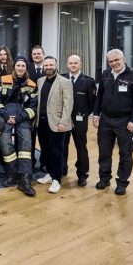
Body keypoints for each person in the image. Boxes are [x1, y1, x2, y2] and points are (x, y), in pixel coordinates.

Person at [92, 49, 133, 195]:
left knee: (126, 153)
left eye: (117, 60)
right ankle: (104, 178)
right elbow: (99, 96)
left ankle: (122, 182)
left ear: (124, 59)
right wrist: (96, 114)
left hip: (125, 121)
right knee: (104, 152)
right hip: (106, 120)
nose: (114, 63)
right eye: (111, 61)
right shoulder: (105, 75)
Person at [0, 56, 38, 196]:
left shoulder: (32, 84)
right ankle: (13, 172)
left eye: (23, 66)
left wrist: (21, 117)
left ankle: (25, 178)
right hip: (6, 116)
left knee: (26, 142)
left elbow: (33, 107)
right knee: (4, 141)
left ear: (26, 68)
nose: (20, 68)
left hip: (23, 117)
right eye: (18, 65)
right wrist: (5, 115)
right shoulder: (3, 80)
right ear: (14, 66)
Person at [35, 56, 73, 193]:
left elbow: (68, 104)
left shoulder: (65, 82)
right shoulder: (40, 81)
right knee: (45, 151)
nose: (49, 67)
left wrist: (64, 121)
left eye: (51, 65)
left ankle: (57, 179)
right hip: (42, 123)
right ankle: (50, 175)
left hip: (58, 124)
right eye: (46, 65)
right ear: (43, 67)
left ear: (56, 66)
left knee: (57, 151)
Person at [62, 55, 96, 186]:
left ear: (80, 64)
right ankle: (62, 169)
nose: (73, 65)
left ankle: (82, 175)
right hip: (63, 119)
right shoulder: (61, 78)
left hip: (79, 120)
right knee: (62, 146)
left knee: (81, 147)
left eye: (76, 63)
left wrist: (83, 115)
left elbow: (92, 103)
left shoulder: (88, 82)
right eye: (70, 63)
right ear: (67, 64)